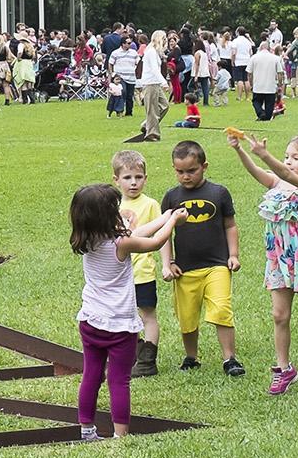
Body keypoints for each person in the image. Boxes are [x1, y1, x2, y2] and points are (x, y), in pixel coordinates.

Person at [68, 183, 185, 441]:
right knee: (119, 381)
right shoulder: (121, 243)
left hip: (90, 320)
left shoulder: (87, 239)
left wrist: (163, 217)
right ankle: (120, 435)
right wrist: (174, 221)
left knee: (91, 375)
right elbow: (153, 242)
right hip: (119, 326)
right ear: (107, 215)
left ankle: (86, 429)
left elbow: (140, 232)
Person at [229, 131, 298, 397]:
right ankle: (284, 368)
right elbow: (259, 173)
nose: (288, 162)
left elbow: (288, 176)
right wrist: (240, 151)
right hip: (278, 258)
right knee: (279, 315)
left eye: (295, 158)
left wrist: (266, 154)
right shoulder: (278, 183)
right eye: (286, 156)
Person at [157, 139, 244, 375]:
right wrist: (168, 262)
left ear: (204, 166)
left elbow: (230, 225)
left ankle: (230, 359)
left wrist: (233, 255)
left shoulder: (219, 193)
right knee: (187, 317)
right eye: (180, 171)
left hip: (217, 265)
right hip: (185, 270)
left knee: (221, 310)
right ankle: (191, 357)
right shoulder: (172, 197)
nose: (186, 176)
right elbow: (165, 234)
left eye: (192, 171)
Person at [111, 151, 166, 378]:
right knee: (121, 315)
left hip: (143, 272)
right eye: (127, 178)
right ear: (116, 180)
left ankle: (147, 361)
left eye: (139, 177)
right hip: (118, 274)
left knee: (147, 314)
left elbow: (161, 234)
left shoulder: (151, 204)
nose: (134, 182)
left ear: (145, 177)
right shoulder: (111, 204)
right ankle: (131, 352)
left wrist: (166, 263)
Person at [127, 30, 169, 143]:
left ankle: (147, 124)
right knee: (152, 110)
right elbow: (154, 69)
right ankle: (152, 134)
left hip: (155, 83)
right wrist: (164, 82)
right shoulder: (151, 52)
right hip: (150, 83)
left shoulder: (154, 52)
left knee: (164, 106)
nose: (166, 41)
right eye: (164, 38)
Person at [248, 42, 283, 122]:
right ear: (269, 49)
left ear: (260, 48)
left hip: (258, 85)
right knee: (269, 103)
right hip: (270, 85)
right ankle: (266, 116)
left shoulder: (254, 57)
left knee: (256, 102)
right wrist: (279, 84)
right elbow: (280, 73)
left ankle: (260, 113)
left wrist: (251, 84)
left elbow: (249, 73)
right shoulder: (275, 58)